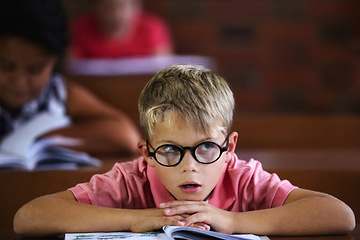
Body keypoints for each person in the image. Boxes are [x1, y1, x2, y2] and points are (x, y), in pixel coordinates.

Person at [13, 64, 355, 236]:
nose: (189, 167)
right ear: (146, 152)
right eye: (170, 151)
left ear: (229, 146)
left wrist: (233, 221)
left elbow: (340, 215)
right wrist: (137, 219)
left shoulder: (243, 178)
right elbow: (28, 217)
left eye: (206, 148)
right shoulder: (131, 181)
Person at [0, 0, 141, 155]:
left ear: (54, 63)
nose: (19, 82)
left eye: (35, 69)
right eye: (6, 66)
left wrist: (30, 138)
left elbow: (127, 137)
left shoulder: (58, 94)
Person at [70, 0, 173, 59]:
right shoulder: (80, 29)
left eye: (122, 6)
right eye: (108, 8)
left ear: (136, 6)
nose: (117, 14)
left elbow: (162, 71)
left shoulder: (152, 28)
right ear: (95, 7)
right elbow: (70, 70)